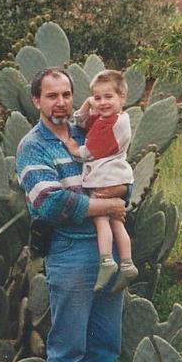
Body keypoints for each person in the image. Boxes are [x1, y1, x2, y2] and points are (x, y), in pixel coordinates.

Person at [16, 67, 130, 362]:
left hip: (107, 250)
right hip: (68, 254)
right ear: (37, 101)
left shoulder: (88, 133)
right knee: (68, 349)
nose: (60, 102)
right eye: (51, 96)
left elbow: (122, 179)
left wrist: (108, 198)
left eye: (66, 94)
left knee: (104, 345)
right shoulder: (33, 147)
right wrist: (106, 205)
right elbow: (50, 204)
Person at [64, 69, 138, 292]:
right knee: (117, 221)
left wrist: (74, 148)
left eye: (108, 97)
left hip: (106, 178)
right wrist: (88, 104)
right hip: (118, 176)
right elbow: (80, 121)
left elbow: (90, 151)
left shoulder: (110, 124)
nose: (102, 103)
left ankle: (106, 261)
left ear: (122, 98)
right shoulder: (111, 118)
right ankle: (127, 263)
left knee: (101, 219)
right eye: (98, 98)